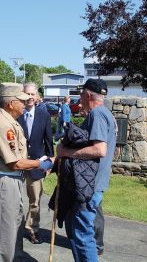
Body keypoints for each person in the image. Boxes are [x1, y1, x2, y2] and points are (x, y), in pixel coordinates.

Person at [0, 82, 54, 262]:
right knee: (6, 231)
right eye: (21, 100)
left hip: (9, 181)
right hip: (3, 181)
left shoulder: (7, 119)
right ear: (11, 103)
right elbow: (15, 163)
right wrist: (41, 164)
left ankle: (15, 258)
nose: (26, 102)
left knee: (14, 226)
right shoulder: (3, 124)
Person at [57, 78, 116, 261]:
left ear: (89, 95)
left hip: (89, 187)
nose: (79, 98)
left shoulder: (97, 114)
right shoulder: (106, 113)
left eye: (81, 94)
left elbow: (100, 150)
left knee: (82, 235)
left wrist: (66, 151)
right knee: (76, 232)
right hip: (92, 184)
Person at [17, 83, 54, 244]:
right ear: (22, 95)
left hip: (36, 164)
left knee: (35, 201)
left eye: (33, 94)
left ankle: (33, 229)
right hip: (17, 164)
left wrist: (50, 161)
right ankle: (14, 227)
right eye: (27, 94)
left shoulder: (43, 115)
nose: (30, 97)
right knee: (15, 199)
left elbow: (48, 140)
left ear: (37, 96)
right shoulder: (16, 115)